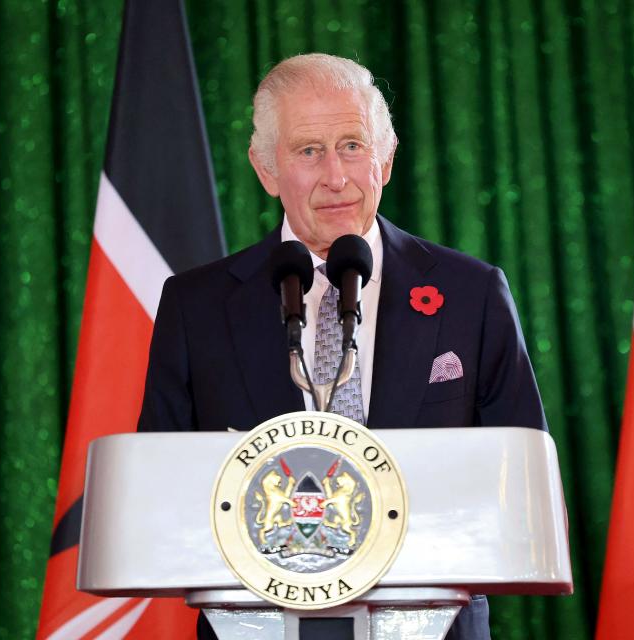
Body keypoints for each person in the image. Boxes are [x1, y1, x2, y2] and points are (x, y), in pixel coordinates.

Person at [138, 53, 547, 640]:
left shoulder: (471, 293)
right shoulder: (196, 306)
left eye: (353, 145)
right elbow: (162, 491)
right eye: (309, 151)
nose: (336, 175)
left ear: (386, 157)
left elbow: (521, 480)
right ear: (266, 168)